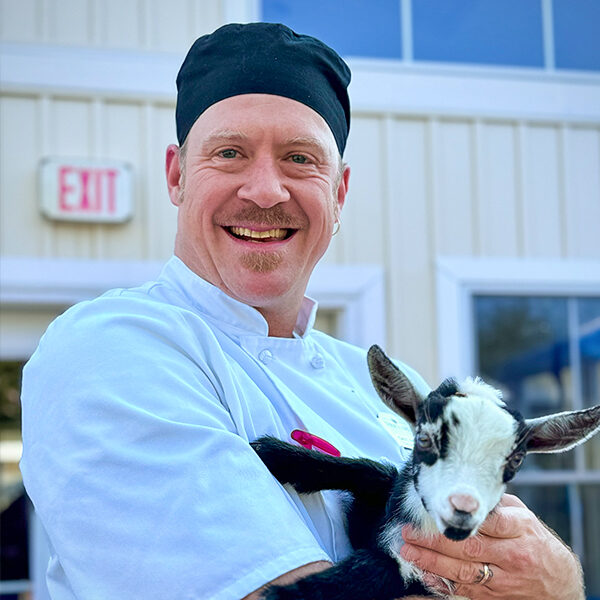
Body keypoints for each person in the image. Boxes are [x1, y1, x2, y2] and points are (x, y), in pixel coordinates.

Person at [20, 22, 585, 600]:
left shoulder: (388, 386)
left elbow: (507, 555)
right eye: (230, 153)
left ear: (338, 193)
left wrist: (559, 577)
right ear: (177, 175)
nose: (265, 191)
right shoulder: (112, 348)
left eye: (299, 158)